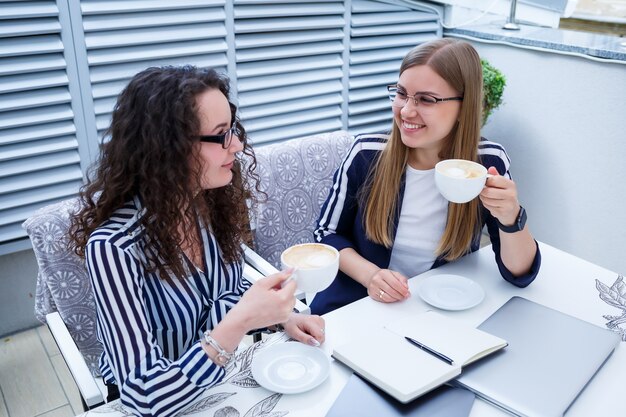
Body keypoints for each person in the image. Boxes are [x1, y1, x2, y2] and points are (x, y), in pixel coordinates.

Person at [68, 66, 325, 416]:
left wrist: (280, 317)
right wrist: (237, 325)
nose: (237, 144)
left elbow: (223, 293)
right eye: (221, 135)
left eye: (232, 129)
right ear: (168, 150)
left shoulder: (209, 201)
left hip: (222, 379)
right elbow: (143, 396)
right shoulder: (114, 248)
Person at [311, 39, 541, 315]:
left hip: (441, 308)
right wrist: (371, 276)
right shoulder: (366, 153)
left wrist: (511, 216)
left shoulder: (488, 162)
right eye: (401, 94)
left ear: (463, 107)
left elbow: (519, 273)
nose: (406, 110)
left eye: (426, 99)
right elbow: (327, 233)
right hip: (356, 303)